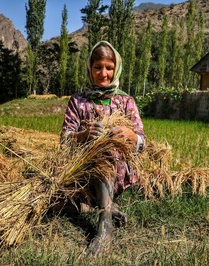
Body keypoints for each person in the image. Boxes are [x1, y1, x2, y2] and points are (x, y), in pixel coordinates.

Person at [60, 40, 145, 256]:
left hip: (115, 170)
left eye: (109, 67)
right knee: (54, 198)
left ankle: (105, 223)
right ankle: (106, 206)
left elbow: (142, 143)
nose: (103, 73)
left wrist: (130, 136)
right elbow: (64, 139)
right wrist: (83, 135)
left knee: (105, 152)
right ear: (90, 68)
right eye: (98, 67)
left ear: (116, 70)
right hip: (81, 170)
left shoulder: (125, 102)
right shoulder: (78, 101)